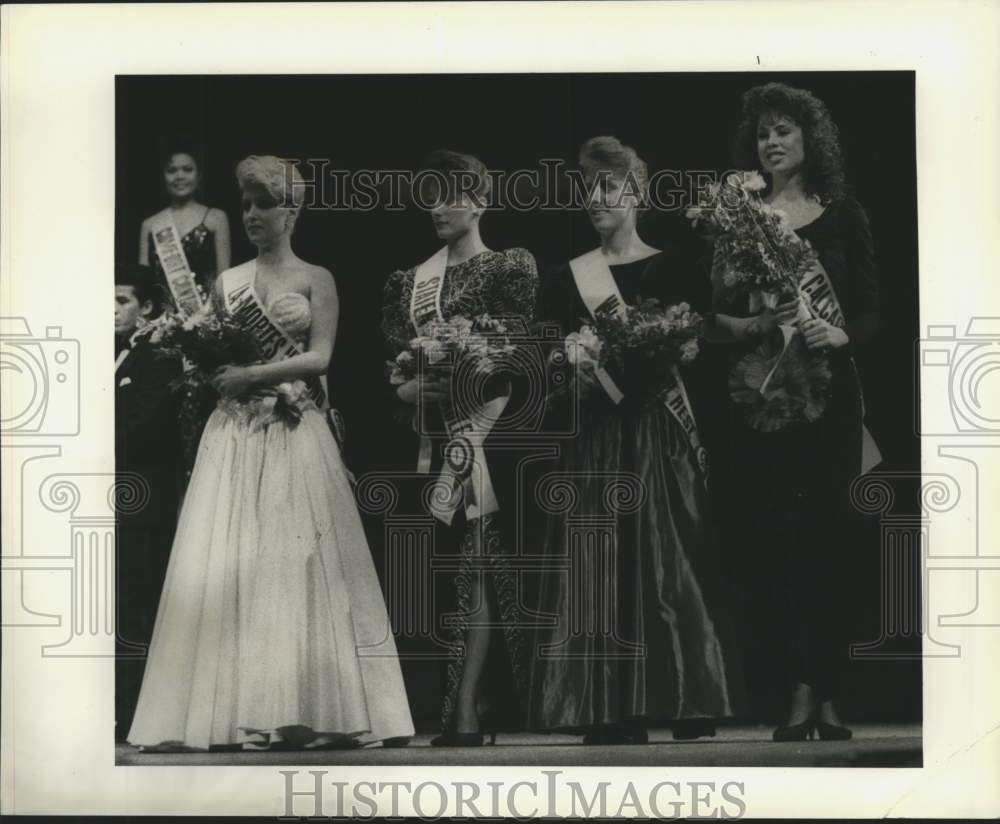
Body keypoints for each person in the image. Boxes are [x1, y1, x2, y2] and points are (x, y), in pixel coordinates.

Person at [128, 155, 413, 751]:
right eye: (247, 204)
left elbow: (320, 357)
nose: (253, 215)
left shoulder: (318, 277)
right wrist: (214, 375)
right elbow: (208, 358)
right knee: (233, 566)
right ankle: (230, 711)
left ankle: (309, 708)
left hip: (293, 431)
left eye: (264, 204)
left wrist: (253, 371)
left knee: (295, 569)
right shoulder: (226, 282)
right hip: (234, 435)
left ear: (292, 209)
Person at [528, 136, 737, 744]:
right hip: (596, 434)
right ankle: (609, 706)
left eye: (609, 186)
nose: (595, 199)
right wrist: (571, 363)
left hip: (656, 431)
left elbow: (692, 343)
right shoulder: (569, 277)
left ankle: (686, 698)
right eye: (587, 187)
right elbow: (547, 355)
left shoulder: (672, 266)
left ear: (637, 191)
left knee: (667, 558)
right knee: (601, 562)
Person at [711, 82, 881, 741]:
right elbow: (716, 319)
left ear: (812, 141)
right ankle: (797, 690)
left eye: (785, 130)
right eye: (763, 134)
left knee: (832, 540)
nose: (773, 141)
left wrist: (841, 335)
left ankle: (828, 690)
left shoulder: (843, 215)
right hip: (765, 393)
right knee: (779, 542)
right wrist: (758, 325)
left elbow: (871, 309)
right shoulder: (741, 222)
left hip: (830, 395)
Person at [381, 150, 538, 746]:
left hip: (494, 435)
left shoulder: (511, 267)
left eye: (448, 195)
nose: (435, 208)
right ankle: (466, 705)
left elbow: (517, 348)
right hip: (436, 441)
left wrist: (465, 366)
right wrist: (410, 384)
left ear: (478, 200)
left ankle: (468, 710)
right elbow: (394, 374)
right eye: (430, 196)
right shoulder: (409, 283)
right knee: (452, 573)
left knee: (477, 568)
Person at [114, 263, 182, 741]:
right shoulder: (116, 355)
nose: (111, 310)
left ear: (148, 309)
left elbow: (142, 427)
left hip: (144, 497)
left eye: (121, 301)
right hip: (118, 497)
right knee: (118, 603)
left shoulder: (158, 358)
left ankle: (140, 711)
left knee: (142, 600)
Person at [139, 146, 232, 480]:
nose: (179, 176)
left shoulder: (216, 218)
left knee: (202, 410)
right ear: (163, 177)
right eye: (172, 169)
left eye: (187, 169)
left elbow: (224, 280)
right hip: (163, 330)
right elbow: (144, 285)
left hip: (205, 328)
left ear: (199, 174)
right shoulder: (151, 225)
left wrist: (212, 325)